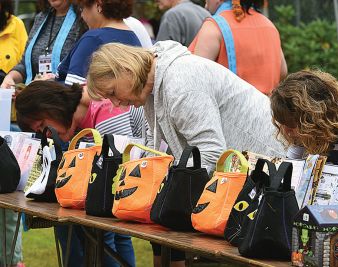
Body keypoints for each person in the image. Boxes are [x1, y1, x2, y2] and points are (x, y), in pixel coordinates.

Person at [86, 40, 285, 267]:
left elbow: (210, 153)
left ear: (126, 69)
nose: (116, 103)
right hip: (243, 176)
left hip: (266, 173)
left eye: (113, 92)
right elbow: (161, 154)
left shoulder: (180, 83)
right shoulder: (153, 88)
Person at [15, 80, 146, 266]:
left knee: (105, 234)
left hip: (133, 185)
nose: (48, 134)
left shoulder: (106, 109)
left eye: (43, 125)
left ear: (52, 107)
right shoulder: (75, 119)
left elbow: (118, 169)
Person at [189, 0, 287, 95]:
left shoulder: (213, 27)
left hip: (228, 110)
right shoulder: (270, 26)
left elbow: (197, 78)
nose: (205, 3)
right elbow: (282, 72)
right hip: (268, 108)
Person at [1, 0, 85, 88]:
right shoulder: (41, 18)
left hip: (63, 97)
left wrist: (51, 82)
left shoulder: (83, 19)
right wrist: (10, 77)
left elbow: (83, 71)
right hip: (34, 97)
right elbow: (25, 65)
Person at [0, 1, 27, 266]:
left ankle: (13, 260)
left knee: (9, 202)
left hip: (10, 126)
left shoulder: (15, 26)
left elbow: (24, 65)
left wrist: (11, 77)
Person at [56, 0, 141, 85]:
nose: (82, 15)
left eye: (82, 8)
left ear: (98, 5)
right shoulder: (134, 38)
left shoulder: (93, 39)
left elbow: (74, 90)